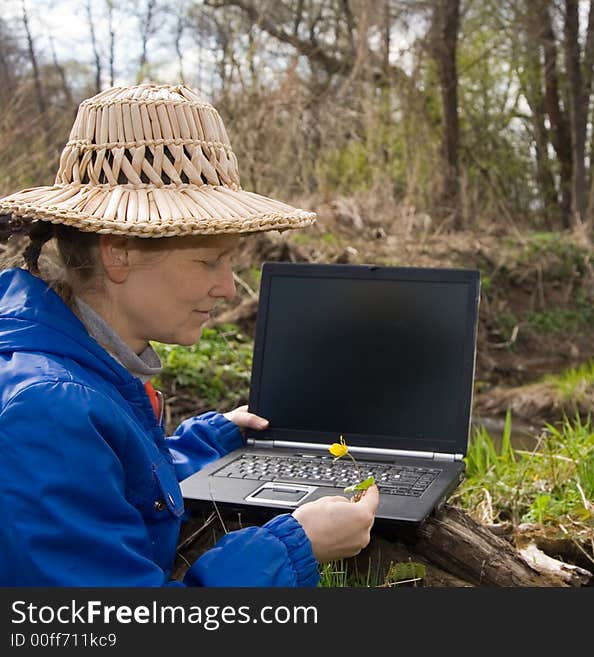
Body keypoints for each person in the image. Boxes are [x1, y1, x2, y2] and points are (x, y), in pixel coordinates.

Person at [0, 83, 379, 586]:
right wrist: (293, 547)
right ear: (119, 253)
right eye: (208, 261)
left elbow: (110, 483)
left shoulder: (79, 363)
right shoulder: (49, 409)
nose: (227, 287)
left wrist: (213, 438)